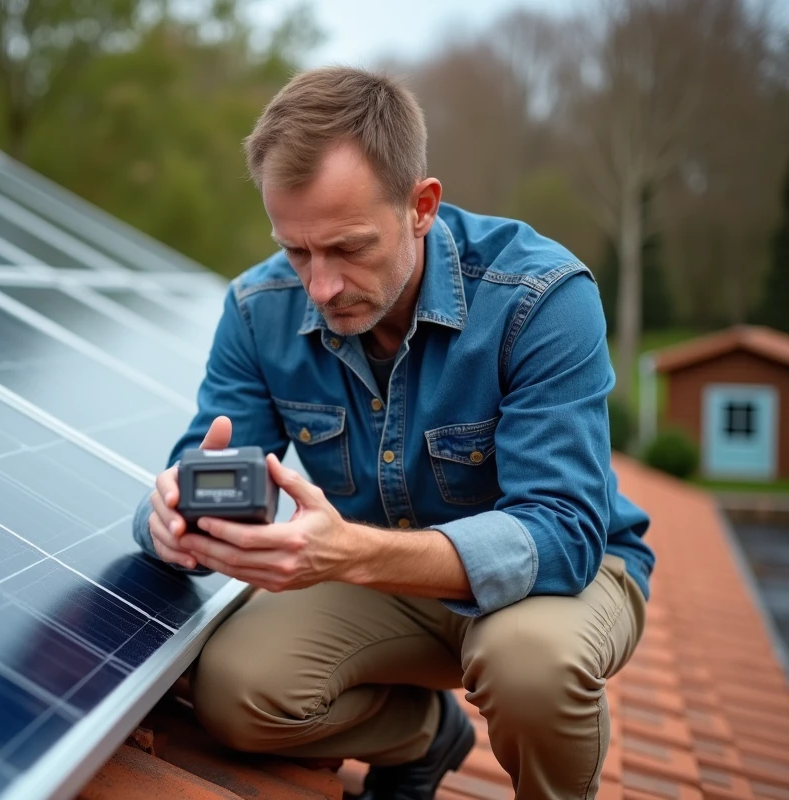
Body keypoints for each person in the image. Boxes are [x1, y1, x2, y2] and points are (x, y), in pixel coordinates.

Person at [131, 66, 654, 799]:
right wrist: (168, 517)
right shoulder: (258, 310)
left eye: (347, 248)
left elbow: (563, 533)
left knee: (530, 665)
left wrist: (353, 550)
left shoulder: (541, 298)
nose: (320, 286)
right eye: (297, 251)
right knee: (235, 691)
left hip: (567, 576)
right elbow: (203, 470)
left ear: (421, 206)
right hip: (384, 576)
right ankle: (425, 735)